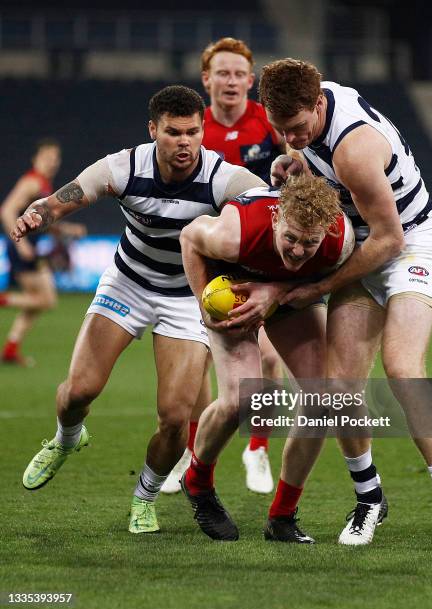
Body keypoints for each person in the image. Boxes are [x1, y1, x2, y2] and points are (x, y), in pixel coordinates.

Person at [14, 85, 266, 534]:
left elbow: (269, 205)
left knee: (174, 416)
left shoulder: (222, 177)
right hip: (127, 283)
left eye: (192, 132)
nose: (184, 142)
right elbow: (67, 196)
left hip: (187, 297)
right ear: (154, 131)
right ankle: (66, 439)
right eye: (173, 133)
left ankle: (144, 497)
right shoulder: (123, 167)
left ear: (203, 131)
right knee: (78, 392)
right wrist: (39, 215)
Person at [248, 58, 432, 553]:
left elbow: (390, 238)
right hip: (363, 242)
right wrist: (297, 162)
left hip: (409, 242)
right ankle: (369, 497)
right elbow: (314, 154)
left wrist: (318, 287)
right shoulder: (308, 103)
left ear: (319, 104)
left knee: (402, 368)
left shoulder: (354, 148)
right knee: (339, 388)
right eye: (281, 129)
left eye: (299, 127)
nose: (292, 136)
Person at [178, 173, 372, 542]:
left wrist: (276, 290)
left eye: (310, 242)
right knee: (242, 400)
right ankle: (198, 482)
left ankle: (282, 516)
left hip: (290, 298)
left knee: (322, 401)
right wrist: (204, 302)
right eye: (291, 238)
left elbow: (330, 273)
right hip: (231, 289)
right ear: (275, 219)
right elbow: (189, 237)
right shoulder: (236, 233)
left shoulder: (339, 241)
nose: (299, 250)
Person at [162, 37, 286, 496]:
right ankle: (190, 454)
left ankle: (257, 447)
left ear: (250, 81)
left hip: (259, 257)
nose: (231, 80)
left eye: (239, 74)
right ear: (206, 79)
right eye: (223, 73)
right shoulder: (191, 128)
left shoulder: (268, 122)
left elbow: (298, 167)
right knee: (197, 364)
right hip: (202, 255)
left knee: (270, 358)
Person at [0, 139, 85, 366]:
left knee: (38, 302)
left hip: (30, 246)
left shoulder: (44, 185)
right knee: (46, 300)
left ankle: (10, 349)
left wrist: (66, 229)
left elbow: (43, 220)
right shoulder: (32, 182)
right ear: (36, 159)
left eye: (55, 158)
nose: (52, 162)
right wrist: (20, 244)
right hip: (22, 246)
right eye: (47, 157)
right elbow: (6, 210)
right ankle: (3, 300)